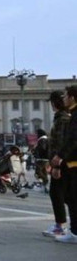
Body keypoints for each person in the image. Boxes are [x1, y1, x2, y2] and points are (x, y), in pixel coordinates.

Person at [43, 90, 71, 237]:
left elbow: (60, 143)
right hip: (62, 162)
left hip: (61, 163)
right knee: (66, 195)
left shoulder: (62, 119)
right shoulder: (64, 117)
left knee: (57, 194)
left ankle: (60, 226)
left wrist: (56, 165)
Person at [52, 86, 77, 243]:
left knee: (72, 197)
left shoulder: (74, 116)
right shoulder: (73, 114)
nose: (64, 99)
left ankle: (74, 232)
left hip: (73, 163)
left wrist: (59, 157)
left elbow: (73, 140)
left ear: (72, 98)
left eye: (66, 96)